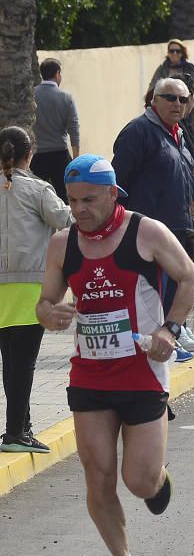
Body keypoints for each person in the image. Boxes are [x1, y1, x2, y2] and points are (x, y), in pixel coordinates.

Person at [35, 154, 194, 556]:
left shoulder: (146, 232)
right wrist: (52, 314)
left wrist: (171, 327)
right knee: (98, 473)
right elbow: (45, 302)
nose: (80, 209)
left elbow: (189, 277)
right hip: (89, 371)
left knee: (138, 480)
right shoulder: (62, 243)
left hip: (142, 369)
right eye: (72, 200)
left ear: (112, 194)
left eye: (89, 199)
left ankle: (157, 480)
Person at [112, 77, 194, 360]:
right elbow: (118, 183)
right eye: (170, 97)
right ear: (154, 100)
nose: (178, 104)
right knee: (158, 292)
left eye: (183, 99)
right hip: (152, 231)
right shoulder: (139, 131)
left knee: (183, 284)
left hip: (183, 225)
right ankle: (162, 343)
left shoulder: (180, 132)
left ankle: (177, 333)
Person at [0, 127, 73, 453]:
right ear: (30, 155)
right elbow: (68, 220)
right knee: (23, 362)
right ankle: (17, 432)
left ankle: (19, 428)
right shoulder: (37, 189)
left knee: (10, 361)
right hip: (29, 285)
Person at [31, 58, 80, 202]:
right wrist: (76, 158)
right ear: (57, 73)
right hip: (60, 155)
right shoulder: (66, 97)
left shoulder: (31, 95)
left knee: (37, 196)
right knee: (65, 196)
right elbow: (74, 128)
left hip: (37, 156)